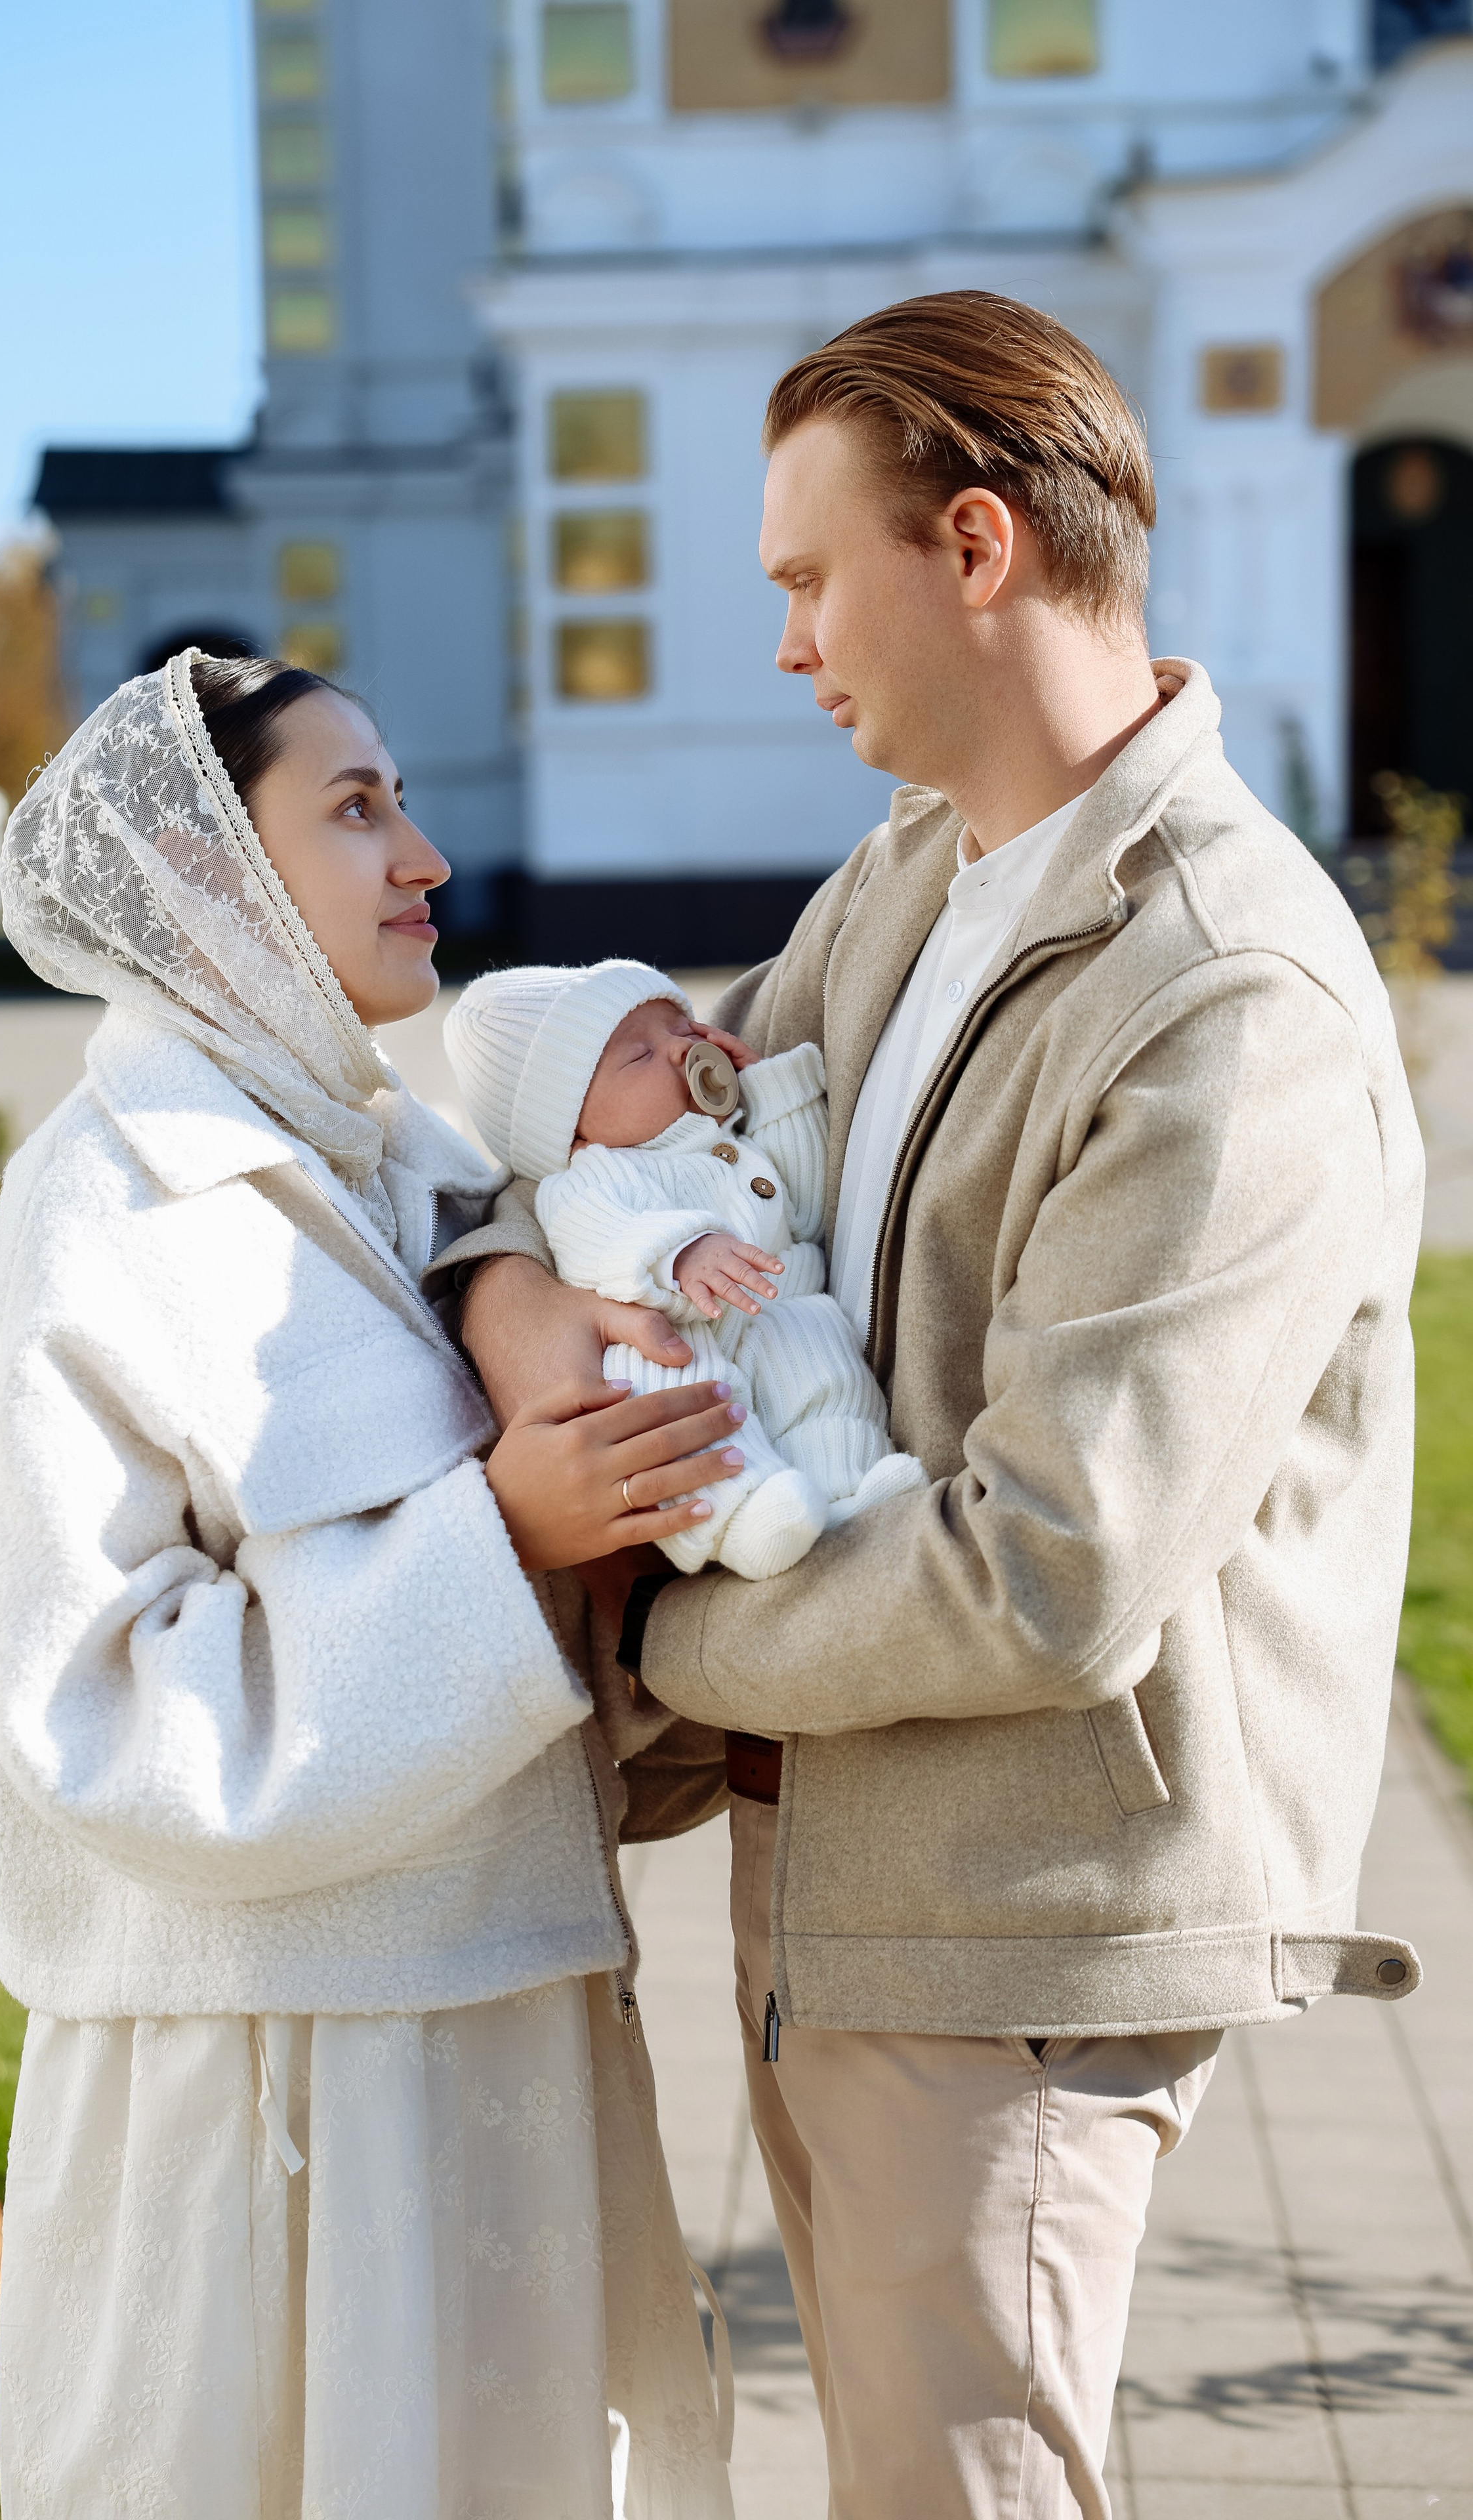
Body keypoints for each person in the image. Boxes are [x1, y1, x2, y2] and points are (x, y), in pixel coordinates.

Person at [436, 292, 1426, 2519]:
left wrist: (655, 1630)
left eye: (807, 576)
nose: (785, 638)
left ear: (975, 547)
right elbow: (602, 1162)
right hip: (854, 1842)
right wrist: (519, 1314)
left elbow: (1056, 1567)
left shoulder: (1228, 993)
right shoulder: (918, 867)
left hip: (1026, 1897)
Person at [0, 649, 741, 2520]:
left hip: (496, 2044)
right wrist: (505, 1537)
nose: (424, 853)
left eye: (400, 796)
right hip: (272, 2103)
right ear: (207, 874)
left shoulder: (408, 1173)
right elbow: (92, 1707)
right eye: (354, 810)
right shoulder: (106, 1218)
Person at [444, 959, 924, 1578]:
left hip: (776, 1317)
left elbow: (805, 1209)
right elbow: (596, 1234)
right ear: (573, 1134)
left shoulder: (736, 1144)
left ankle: (848, 1487)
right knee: (672, 1400)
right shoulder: (593, 1175)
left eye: (683, 1029)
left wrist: (771, 1090)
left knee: (827, 1378)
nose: (681, 1051)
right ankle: (739, 1514)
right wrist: (681, 1252)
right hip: (680, 1332)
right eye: (640, 1057)